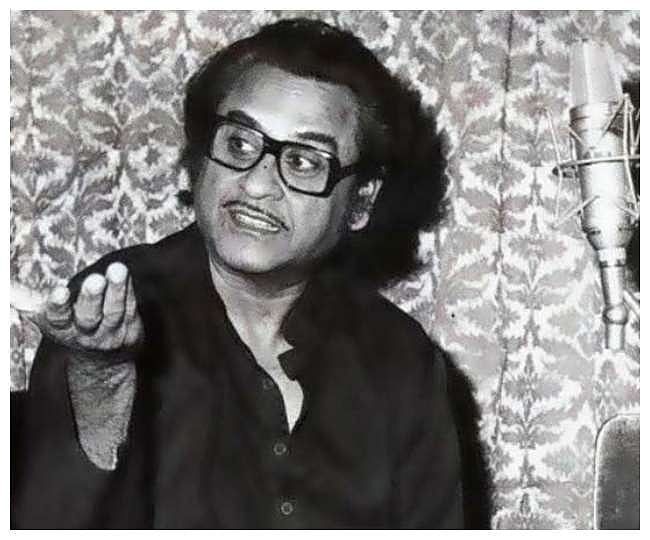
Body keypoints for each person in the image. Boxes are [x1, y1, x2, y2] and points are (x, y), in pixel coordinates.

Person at [11, 18, 463, 529]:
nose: (257, 185)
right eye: (241, 144)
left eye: (305, 161)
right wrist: (100, 381)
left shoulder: (401, 358)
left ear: (361, 202)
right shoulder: (106, 314)